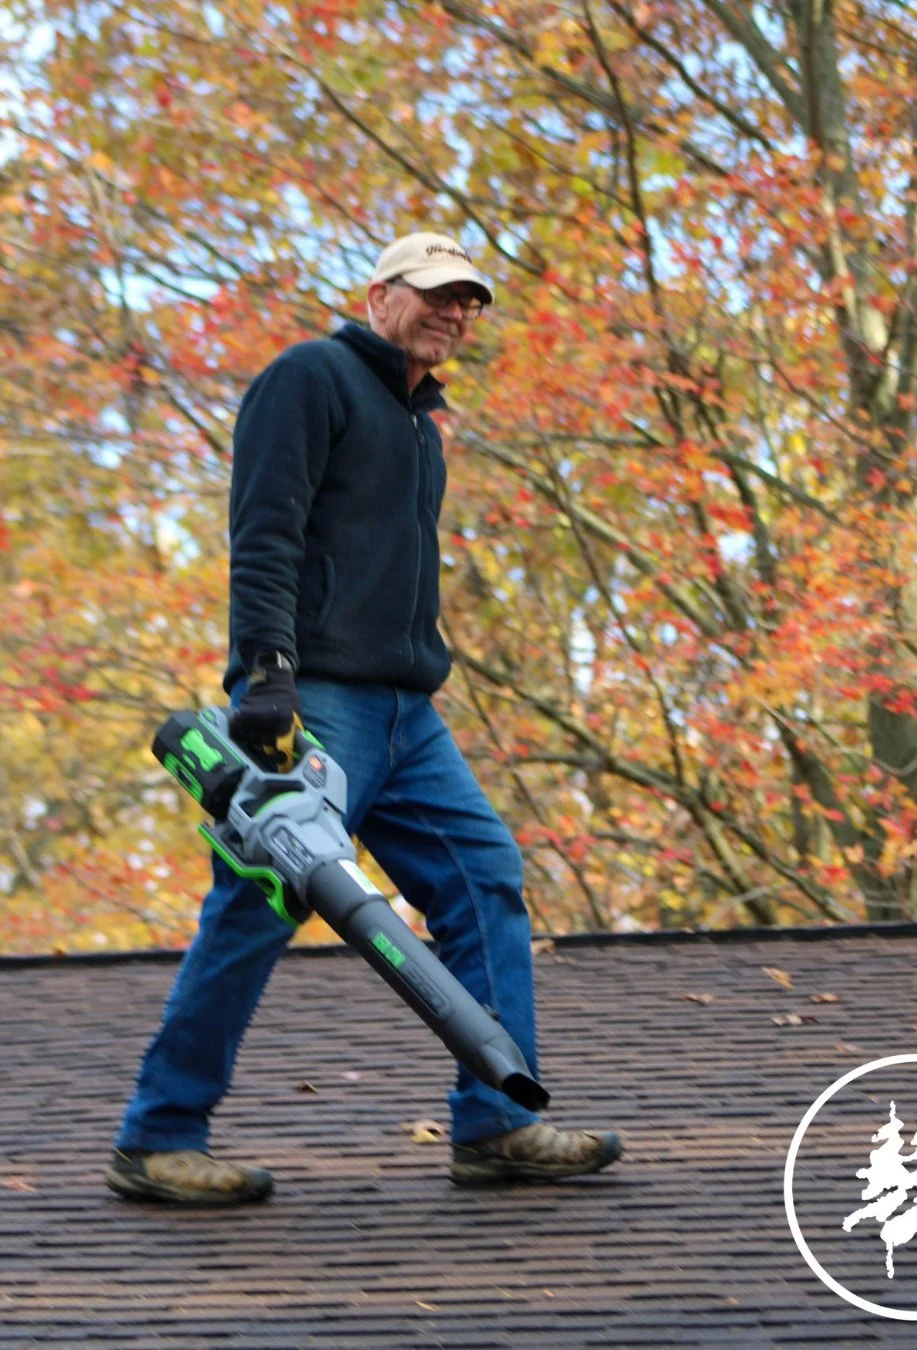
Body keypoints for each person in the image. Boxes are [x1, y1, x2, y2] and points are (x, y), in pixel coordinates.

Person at [104, 231, 622, 1203]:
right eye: (433, 295)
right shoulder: (313, 377)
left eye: (467, 301)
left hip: (406, 715)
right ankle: (157, 1138)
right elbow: (265, 527)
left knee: (484, 879)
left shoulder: (422, 424)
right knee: (263, 905)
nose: (453, 313)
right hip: (317, 702)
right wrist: (267, 671)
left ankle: (499, 1124)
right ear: (381, 293)